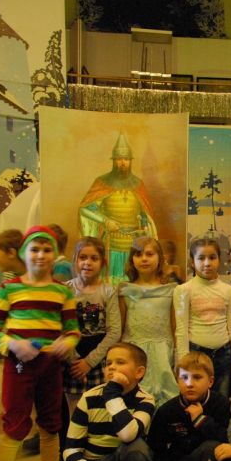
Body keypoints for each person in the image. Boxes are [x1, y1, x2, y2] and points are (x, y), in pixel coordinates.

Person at [0, 226, 81, 461]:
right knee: (15, 424)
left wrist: (68, 342)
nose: (40, 255)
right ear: (24, 253)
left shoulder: (62, 291)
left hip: (50, 367)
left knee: (51, 424)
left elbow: (72, 329)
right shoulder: (9, 288)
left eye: (47, 250)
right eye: (34, 249)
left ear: (55, 254)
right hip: (19, 366)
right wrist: (12, 344)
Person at [63, 343, 156, 461]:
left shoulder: (145, 400)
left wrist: (112, 393)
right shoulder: (89, 398)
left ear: (139, 372)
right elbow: (70, 449)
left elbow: (127, 434)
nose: (112, 367)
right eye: (108, 363)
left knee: (137, 448)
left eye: (120, 362)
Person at [78, 132, 157, 285]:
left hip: (134, 246)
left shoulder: (138, 184)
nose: (123, 163)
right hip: (110, 243)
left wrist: (145, 227)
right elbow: (85, 209)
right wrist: (106, 221)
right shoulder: (103, 183)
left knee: (132, 283)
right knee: (109, 284)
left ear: (130, 161)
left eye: (126, 159)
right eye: (119, 159)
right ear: (114, 161)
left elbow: (144, 213)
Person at [174, 237, 231, 398]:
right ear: (192, 262)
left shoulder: (229, 291)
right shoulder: (184, 290)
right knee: (194, 398)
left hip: (224, 355)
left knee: (220, 400)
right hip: (195, 353)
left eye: (212, 258)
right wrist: (184, 360)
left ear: (219, 260)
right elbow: (181, 328)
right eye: (201, 258)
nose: (207, 263)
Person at [64, 237, 122, 416]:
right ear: (75, 260)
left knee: (99, 410)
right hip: (72, 359)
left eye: (94, 258)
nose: (87, 263)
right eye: (83, 257)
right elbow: (60, 328)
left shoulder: (109, 292)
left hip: (98, 358)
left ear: (102, 263)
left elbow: (114, 331)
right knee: (75, 412)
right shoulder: (65, 290)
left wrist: (89, 362)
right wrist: (75, 362)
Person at [119, 237, 178, 407]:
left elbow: (175, 327)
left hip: (163, 352)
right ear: (132, 260)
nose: (144, 259)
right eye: (138, 255)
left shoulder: (171, 290)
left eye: (149, 254)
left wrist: (177, 355)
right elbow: (120, 326)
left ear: (159, 258)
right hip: (134, 350)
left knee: (165, 399)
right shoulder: (125, 290)